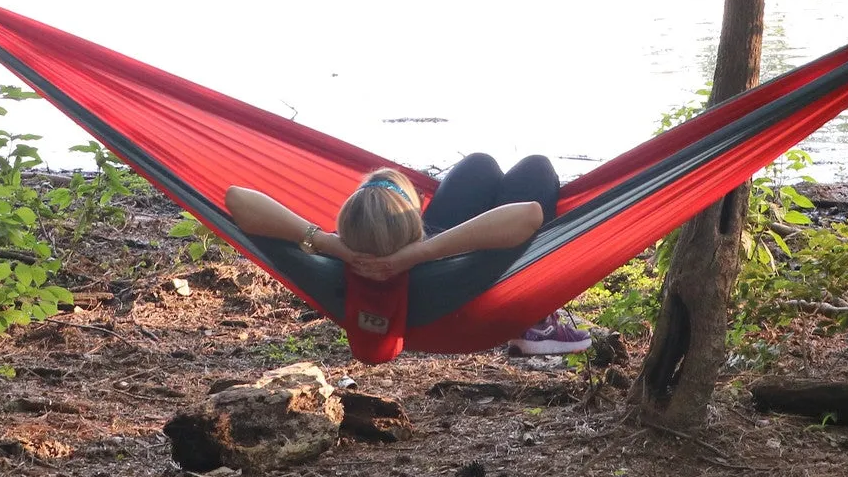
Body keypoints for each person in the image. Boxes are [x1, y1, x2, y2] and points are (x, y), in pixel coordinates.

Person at [224, 152, 593, 356]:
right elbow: (530, 214)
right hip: (470, 274)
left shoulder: (333, 259)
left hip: (416, 255)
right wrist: (420, 252)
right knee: (538, 167)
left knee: (480, 164)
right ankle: (538, 322)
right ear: (415, 223)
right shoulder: (430, 256)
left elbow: (236, 198)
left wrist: (329, 244)